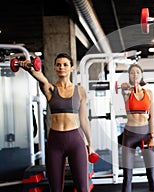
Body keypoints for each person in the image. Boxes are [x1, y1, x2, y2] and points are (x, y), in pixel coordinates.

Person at [19, 53, 94, 192]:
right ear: (54, 67)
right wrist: (30, 68)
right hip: (55, 141)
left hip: (75, 141)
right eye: (58, 64)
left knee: (83, 188)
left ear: (72, 68)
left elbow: (83, 119)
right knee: (55, 189)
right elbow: (41, 79)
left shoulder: (80, 91)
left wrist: (90, 143)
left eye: (65, 64)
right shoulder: (50, 90)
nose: (61, 67)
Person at [121, 63, 154, 192]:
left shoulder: (149, 93)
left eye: (137, 72)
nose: (135, 74)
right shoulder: (126, 91)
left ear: (141, 75)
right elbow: (123, 87)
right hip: (129, 135)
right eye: (132, 72)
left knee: (152, 175)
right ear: (129, 76)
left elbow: (152, 117)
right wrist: (126, 87)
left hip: (146, 134)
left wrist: (152, 136)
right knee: (127, 176)